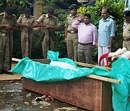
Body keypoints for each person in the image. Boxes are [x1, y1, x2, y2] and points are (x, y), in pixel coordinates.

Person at [0, 7, 16, 73]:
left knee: (8, 52)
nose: (9, 16)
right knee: (1, 51)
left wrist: (12, 27)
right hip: (1, 35)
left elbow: (15, 25)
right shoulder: (1, 16)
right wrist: (4, 26)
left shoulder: (13, 17)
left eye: (10, 15)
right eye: (8, 14)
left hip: (9, 35)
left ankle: (7, 68)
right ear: (5, 13)